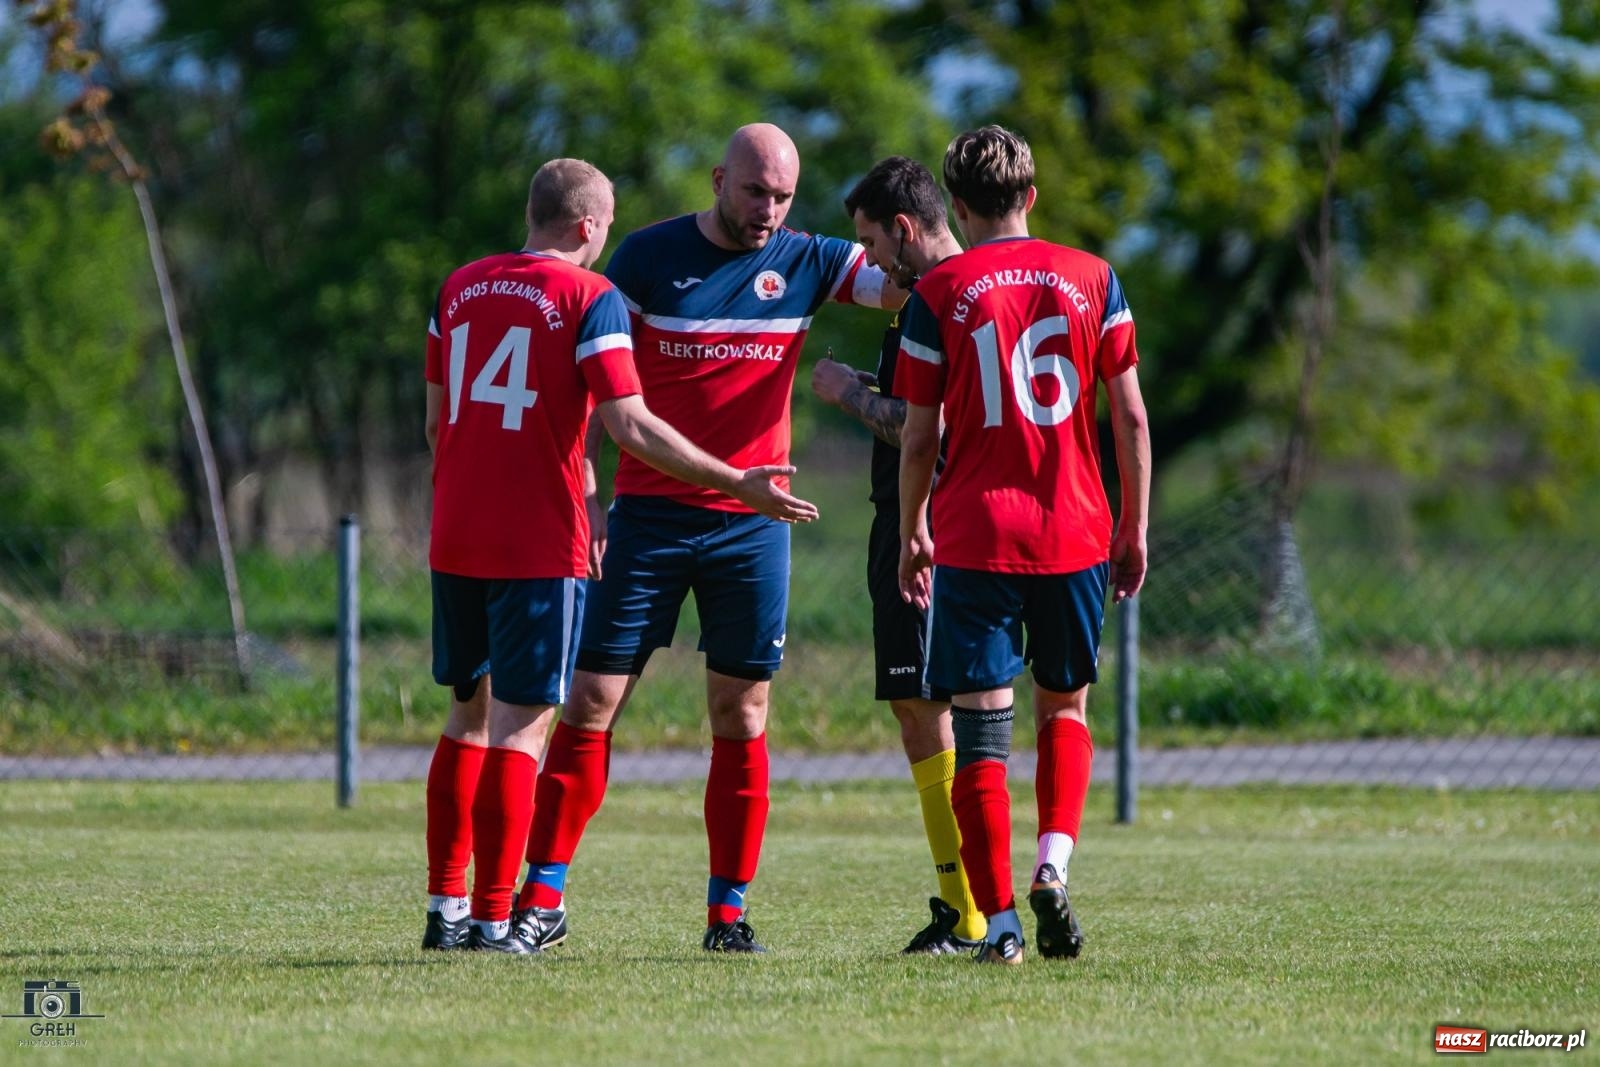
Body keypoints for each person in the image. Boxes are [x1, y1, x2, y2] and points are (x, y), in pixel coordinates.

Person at [514, 123, 904, 954]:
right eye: (755, 191)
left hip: (753, 527)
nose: (768, 210)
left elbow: (906, 287)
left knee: (743, 709)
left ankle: (728, 915)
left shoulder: (810, 258)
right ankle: (542, 899)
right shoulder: (647, 259)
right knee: (589, 701)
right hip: (650, 519)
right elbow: (598, 382)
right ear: (720, 179)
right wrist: (585, 489)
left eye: (783, 196)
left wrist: (957, 251)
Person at [421, 157, 818, 955]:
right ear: (589, 228)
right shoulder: (590, 295)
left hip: (456, 530)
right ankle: (501, 917)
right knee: (523, 729)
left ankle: (445, 910)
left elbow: (435, 425)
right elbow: (630, 423)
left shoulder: (459, 287)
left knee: (467, 718)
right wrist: (737, 481)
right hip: (542, 537)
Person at [896, 126, 1151, 965]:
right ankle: (1054, 863)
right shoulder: (1094, 278)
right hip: (1076, 528)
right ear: (1031, 197)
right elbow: (1131, 417)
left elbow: (920, 435)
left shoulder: (940, 288)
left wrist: (911, 531)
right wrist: (1134, 524)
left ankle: (999, 922)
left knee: (980, 731)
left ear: (958, 207)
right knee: (1064, 707)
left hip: (975, 534)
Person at [809, 156, 987, 954]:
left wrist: (846, 392)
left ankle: (970, 906)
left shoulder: (943, 301)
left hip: (927, 528)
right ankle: (971, 899)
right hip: (932, 523)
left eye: (873, 241)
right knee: (933, 709)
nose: (871, 258)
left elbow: (930, 430)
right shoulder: (958, 295)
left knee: (934, 710)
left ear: (906, 229)